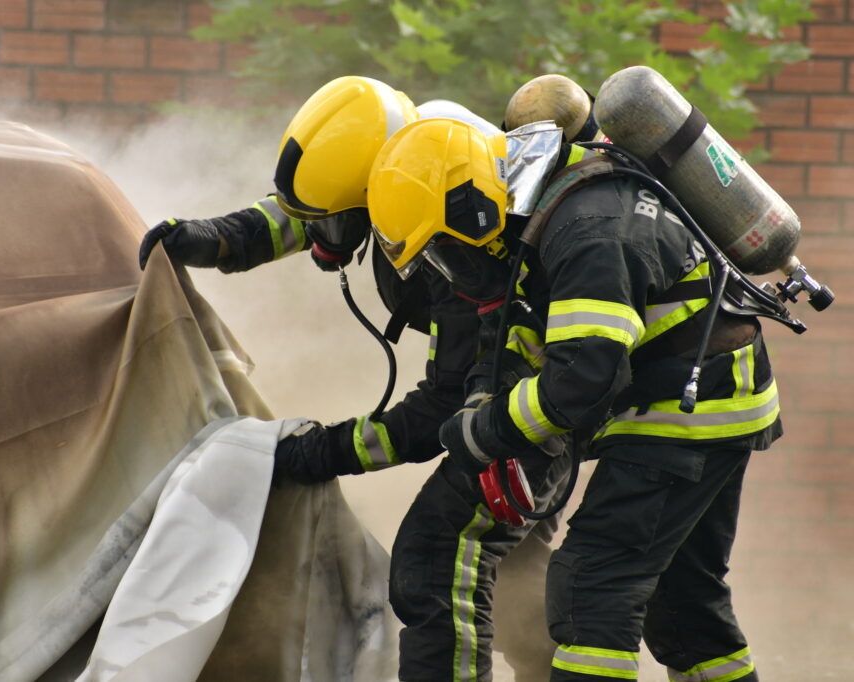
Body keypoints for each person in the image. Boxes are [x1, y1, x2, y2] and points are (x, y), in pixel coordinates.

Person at [138, 75, 590, 681]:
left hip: (524, 404)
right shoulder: (411, 163)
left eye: (332, 223)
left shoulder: (454, 229)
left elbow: (440, 411)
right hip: (514, 399)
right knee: (509, 581)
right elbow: (314, 209)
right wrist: (221, 238)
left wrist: (324, 452)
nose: (322, 242)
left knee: (437, 561)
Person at [366, 112, 779, 681]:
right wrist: (487, 404)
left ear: (471, 209)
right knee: (683, 605)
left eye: (442, 251)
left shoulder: (590, 233)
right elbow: (521, 329)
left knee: (590, 589)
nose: (449, 271)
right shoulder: (543, 203)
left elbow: (582, 377)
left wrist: (487, 433)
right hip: (715, 393)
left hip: (686, 408)